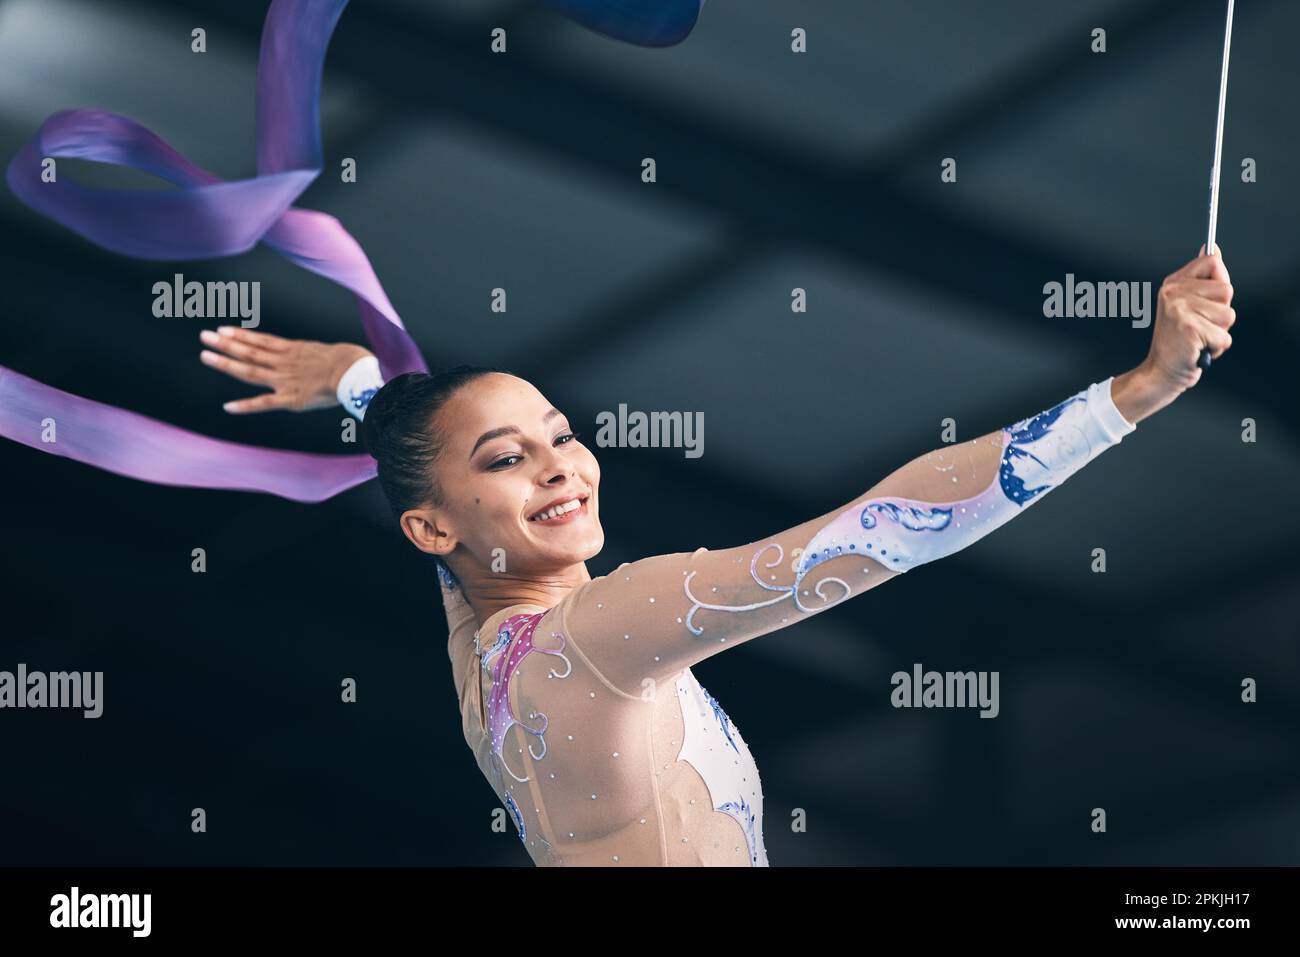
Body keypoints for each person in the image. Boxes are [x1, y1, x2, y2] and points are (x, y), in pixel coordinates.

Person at [197, 249, 1235, 865]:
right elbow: (874, 534)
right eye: (513, 459)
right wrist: (1136, 391)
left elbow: (433, 497)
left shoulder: (482, 645)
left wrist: (363, 390)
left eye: (562, 435)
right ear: (431, 525)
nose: (560, 469)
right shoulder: (598, 633)